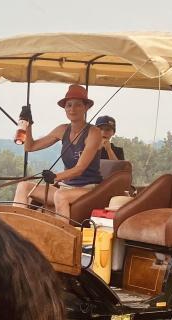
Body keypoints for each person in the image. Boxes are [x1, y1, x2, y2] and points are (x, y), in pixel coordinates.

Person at [12, 84, 104, 219]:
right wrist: (28, 125)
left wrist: (55, 177)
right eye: (69, 105)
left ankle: (63, 237)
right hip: (65, 187)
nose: (72, 109)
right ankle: (16, 227)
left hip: (88, 189)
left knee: (60, 196)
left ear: (86, 107)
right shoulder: (62, 130)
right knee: (23, 186)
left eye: (78, 105)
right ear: (65, 108)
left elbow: (79, 169)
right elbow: (30, 147)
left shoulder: (93, 132)